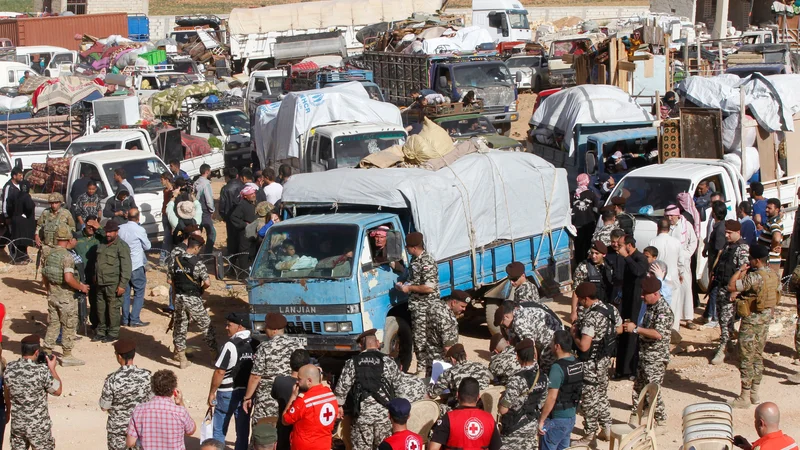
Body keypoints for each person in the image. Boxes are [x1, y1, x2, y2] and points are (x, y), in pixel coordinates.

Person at [727, 245, 779, 408]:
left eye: (751, 258)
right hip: (764, 321)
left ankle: (744, 396)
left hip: (751, 321)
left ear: (756, 260)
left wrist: (739, 270)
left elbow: (732, 286)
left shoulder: (754, 277)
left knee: (746, 357)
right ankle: (755, 393)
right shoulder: (773, 275)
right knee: (757, 355)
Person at [571, 282, 622, 444]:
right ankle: (607, 428)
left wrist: (574, 335)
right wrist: (604, 337)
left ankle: (589, 436)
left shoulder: (590, 317)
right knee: (601, 395)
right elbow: (620, 329)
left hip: (590, 364)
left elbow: (584, 345)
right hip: (605, 360)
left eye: (580, 299)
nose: (579, 302)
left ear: (586, 299)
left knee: (589, 400)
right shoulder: (611, 309)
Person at [335, 328, 401, 450]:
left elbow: (341, 389)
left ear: (361, 344)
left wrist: (339, 406)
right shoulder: (389, 362)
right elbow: (399, 388)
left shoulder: (352, 362)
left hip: (361, 417)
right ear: (377, 343)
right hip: (384, 417)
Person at [622, 276, 674, 425]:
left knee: (652, 391)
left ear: (656, 294)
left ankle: (661, 421)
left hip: (656, 358)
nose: (642, 296)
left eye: (645, 294)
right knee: (639, 388)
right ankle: (636, 415)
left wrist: (636, 329)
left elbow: (658, 334)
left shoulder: (663, 310)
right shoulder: (650, 307)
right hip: (645, 355)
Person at [244, 313, 306, 429]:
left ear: (274, 330)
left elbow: (256, 376)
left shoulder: (265, 347)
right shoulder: (298, 345)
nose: (264, 330)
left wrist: (247, 397)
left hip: (267, 398)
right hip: (290, 396)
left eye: (266, 328)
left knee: (262, 432)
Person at [41, 224, 89, 366]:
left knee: (53, 324)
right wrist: (81, 287)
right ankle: (67, 355)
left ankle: (47, 351)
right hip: (66, 298)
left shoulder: (50, 254)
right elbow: (68, 278)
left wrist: (48, 289)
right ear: (69, 240)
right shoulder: (67, 256)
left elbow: (44, 275)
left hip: (53, 295)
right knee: (69, 325)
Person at [209, 312, 257, 450]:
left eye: (229, 325)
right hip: (247, 394)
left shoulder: (230, 345)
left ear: (240, 327)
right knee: (242, 431)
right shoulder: (256, 344)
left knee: (219, 429)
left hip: (227, 393)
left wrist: (212, 392)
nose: (226, 328)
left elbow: (220, 371)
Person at [5, 335, 62, 450]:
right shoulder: (41, 371)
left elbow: (7, 393)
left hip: (18, 424)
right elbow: (58, 390)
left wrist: (8, 413)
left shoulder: (10, 369)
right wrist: (52, 369)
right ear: (36, 352)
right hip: (38, 426)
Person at [396, 232, 439, 375]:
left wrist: (408, 288)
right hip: (417, 307)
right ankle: (423, 369)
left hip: (426, 308)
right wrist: (404, 283)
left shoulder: (426, 262)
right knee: (419, 339)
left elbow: (428, 287)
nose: (406, 250)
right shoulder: (415, 260)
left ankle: (428, 371)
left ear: (413, 247)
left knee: (425, 340)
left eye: (407, 247)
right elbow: (415, 279)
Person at [170, 234, 216, 368]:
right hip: (193, 298)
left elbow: (170, 281)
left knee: (180, 327)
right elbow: (207, 282)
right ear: (196, 247)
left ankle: (182, 359)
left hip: (179, 297)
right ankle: (214, 356)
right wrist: (200, 290)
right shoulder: (197, 263)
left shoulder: (175, 260)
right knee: (206, 326)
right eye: (199, 248)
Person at [99, 338, 152, 450]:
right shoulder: (147, 376)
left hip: (117, 431)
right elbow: (152, 400)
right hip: (140, 429)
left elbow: (104, 406)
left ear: (119, 356)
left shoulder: (112, 379)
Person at [710, 220, 750, 365]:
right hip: (722, 287)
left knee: (726, 320)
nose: (726, 235)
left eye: (729, 233)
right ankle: (730, 344)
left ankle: (723, 348)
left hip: (731, 290)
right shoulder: (728, 246)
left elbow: (743, 271)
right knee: (722, 319)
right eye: (725, 232)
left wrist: (737, 291)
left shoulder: (742, 248)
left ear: (737, 232)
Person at [498, 338, 548, 449]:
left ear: (518, 357)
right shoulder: (543, 377)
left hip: (514, 430)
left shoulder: (517, 379)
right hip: (531, 427)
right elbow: (543, 402)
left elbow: (503, 409)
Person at [126, 369, 196, 448]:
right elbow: (191, 430)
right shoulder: (180, 411)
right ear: (174, 390)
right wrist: (181, 403)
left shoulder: (139, 410)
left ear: (153, 388)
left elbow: (130, 442)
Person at [428, 377, 503, 450]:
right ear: (478, 397)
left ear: (457, 395)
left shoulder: (448, 418)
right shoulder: (489, 419)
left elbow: (433, 448)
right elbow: (496, 447)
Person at [539, 330, 583, 450]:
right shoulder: (578, 363)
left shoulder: (557, 368)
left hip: (556, 419)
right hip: (570, 417)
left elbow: (552, 397)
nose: (551, 345)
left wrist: (542, 420)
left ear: (557, 346)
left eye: (553, 342)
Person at [614, 235, 649, 379]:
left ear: (628, 245)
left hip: (636, 301)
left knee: (632, 334)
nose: (618, 247)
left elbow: (638, 272)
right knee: (623, 333)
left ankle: (630, 369)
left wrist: (626, 258)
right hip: (626, 300)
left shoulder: (640, 258)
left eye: (621, 245)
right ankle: (620, 369)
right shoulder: (624, 258)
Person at [282, 364, 338, 450]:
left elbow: (285, 420)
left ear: (309, 381)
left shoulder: (303, 401)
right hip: (325, 445)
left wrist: (293, 396)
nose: (297, 382)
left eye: (299, 379)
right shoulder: (330, 396)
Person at [499, 299, 563, 373]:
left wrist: (533, 368)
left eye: (503, 325)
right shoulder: (519, 310)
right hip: (558, 332)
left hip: (551, 340)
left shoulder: (518, 322)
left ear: (506, 317)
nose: (505, 328)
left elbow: (530, 347)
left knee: (545, 367)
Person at [93, 221, 131, 344]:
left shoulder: (122, 246)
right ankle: (101, 331)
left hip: (113, 284)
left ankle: (113, 332)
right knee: (101, 308)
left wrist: (122, 285)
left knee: (113, 309)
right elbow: (98, 262)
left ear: (116, 232)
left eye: (110, 232)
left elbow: (126, 268)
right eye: (106, 231)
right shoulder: (103, 243)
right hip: (100, 283)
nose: (108, 234)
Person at [649, 218, 686, 330]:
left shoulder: (653, 241)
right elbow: (681, 261)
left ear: (658, 228)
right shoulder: (676, 242)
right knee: (673, 303)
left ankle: (658, 327)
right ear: (669, 229)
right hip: (673, 276)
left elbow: (650, 260)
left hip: (658, 276)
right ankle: (673, 328)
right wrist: (681, 273)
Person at [665, 204, 698, 328]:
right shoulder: (666, 226)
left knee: (685, 287)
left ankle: (688, 318)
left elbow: (693, 242)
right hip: (670, 262)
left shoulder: (686, 225)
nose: (669, 218)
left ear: (677, 215)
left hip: (683, 261)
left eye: (671, 215)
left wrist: (686, 254)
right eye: (667, 215)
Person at [272, 349, 311, 450]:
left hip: (283, 430)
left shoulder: (279, 381)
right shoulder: (309, 386)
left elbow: (275, 395)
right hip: (301, 433)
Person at [118, 207, 151, 328]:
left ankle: (125, 319)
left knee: (125, 293)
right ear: (138, 217)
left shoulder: (120, 228)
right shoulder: (139, 229)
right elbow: (147, 246)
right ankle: (135, 319)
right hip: (136, 265)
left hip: (123, 266)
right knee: (138, 292)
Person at [571, 240, 613, 322]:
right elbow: (576, 291)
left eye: (597, 253)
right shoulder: (583, 267)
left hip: (604, 307)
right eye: (592, 253)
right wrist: (573, 312)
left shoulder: (609, 266)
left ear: (603, 254)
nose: (593, 256)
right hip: (586, 310)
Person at [426, 290, 469, 366]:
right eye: (462, 306)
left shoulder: (436, 305)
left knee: (431, 376)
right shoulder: (447, 319)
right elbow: (448, 347)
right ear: (453, 303)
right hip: (442, 360)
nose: (464, 309)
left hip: (430, 354)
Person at [75, 218, 104, 328]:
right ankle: (78, 323)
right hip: (80, 273)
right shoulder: (77, 236)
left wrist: (99, 228)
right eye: (89, 226)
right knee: (79, 301)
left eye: (93, 227)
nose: (91, 229)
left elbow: (111, 238)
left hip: (94, 274)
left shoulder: (99, 237)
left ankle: (94, 324)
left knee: (94, 301)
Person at [733, 402, 797, 450]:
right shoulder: (791, 442)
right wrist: (750, 448)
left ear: (761, 423)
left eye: (755, 420)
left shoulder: (762, 447)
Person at [230, 184, 258, 272]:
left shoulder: (252, 203)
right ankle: (243, 272)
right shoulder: (241, 205)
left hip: (253, 231)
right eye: (251, 194)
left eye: (254, 193)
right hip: (244, 233)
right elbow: (233, 217)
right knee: (244, 252)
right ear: (245, 196)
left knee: (252, 250)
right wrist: (244, 224)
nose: (254, 195)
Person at [572, 173, 599, 262]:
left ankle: (578, 262)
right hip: (589, 224)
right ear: (587, 182)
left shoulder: (573, 195)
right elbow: (596, 209)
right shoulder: (591, 194)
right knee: (588, 244)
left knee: (578, 246)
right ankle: (587, 262)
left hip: (576, 225)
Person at [8, 180, 35, 265]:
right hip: (23, 221)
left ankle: (24, 257)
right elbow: (29, 207)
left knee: (18, 239)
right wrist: (25, 215)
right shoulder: (27, 196)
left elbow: (9, 205)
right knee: (22, 240)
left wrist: (12, 215)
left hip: (15, 219)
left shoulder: (14, 194)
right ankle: (19, 259)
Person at [219, 167, 244, 256]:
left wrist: (224, 217)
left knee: (231, 238)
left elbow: (222, 205)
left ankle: (232, 257)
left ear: (228, 177)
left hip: (230, 217)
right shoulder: (243, 186)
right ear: (237, 176)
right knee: (241, 237)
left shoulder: (225, 189)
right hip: (242, 217)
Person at [194, 164, 216, 254]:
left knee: (198, 232)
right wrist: (212, 210)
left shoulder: (196, 182)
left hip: (197, 210)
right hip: (205, 211)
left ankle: (195, 251)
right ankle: (208, 253)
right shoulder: (206, 184)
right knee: (212, 233)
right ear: (207, 171)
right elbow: (209, 200)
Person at [758, 198, 783, 273]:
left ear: (777, 210)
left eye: (769, 208)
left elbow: (777, 238)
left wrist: (773, 247)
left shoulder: (774, 223)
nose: (766, 210)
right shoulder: (772, 221)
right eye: (766, 207)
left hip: (770, 261)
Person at [160, 173, 175, 262]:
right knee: (168, 237)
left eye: (162, 179)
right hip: (166, 215)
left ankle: (164, 258)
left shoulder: (169, 191)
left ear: (167, 180)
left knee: (167, 238)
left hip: (167, 215)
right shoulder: (166, 191)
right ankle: (164, 258)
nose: (161, 181)